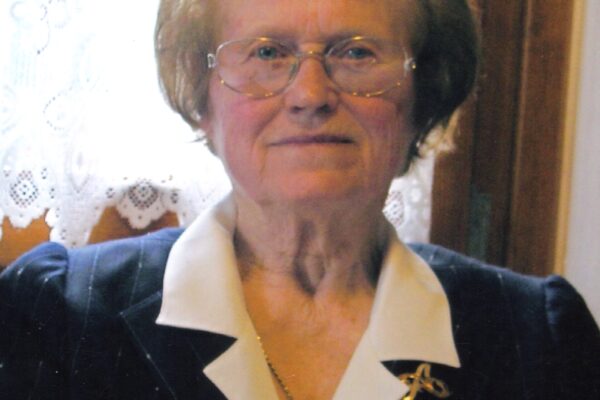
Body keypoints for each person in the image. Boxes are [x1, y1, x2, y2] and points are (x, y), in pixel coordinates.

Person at [1, 0, 599, 399]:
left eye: (357, 52)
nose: (310, 94)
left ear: (424, 96)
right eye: (267, 52)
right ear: (203, 100)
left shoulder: (538, 341)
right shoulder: (56, 318)